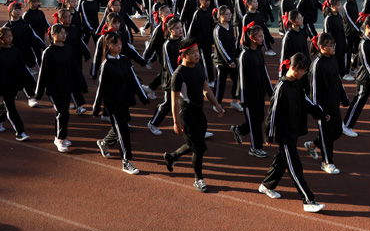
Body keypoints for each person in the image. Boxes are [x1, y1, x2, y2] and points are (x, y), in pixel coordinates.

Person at [260, 52, 329, 213]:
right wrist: (269, 135)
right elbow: (273, 113)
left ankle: (266, 185)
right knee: (295, 167)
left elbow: (306, 101)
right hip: (284, 135)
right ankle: (308, 200)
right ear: (292, 68)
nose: (303, 73)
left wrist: (321, 113)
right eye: (302, 70)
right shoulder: (281, 88)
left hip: (293, 131)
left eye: (305, 71)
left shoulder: (298, 84)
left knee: (281, 161)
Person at [162, 37, 224, 192]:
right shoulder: (178, 75)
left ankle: (172, 156)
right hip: (186, 115)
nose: (197, 55)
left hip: (199, 113)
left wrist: (216, 104)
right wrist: (176, 122)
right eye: (193, 53)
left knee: (195, 143)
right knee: (198, 148)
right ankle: (199, 179)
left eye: (198, 52)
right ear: (184, 55)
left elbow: (205, 88)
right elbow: (174, 101)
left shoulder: (198, 68)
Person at [94, 32, 150, 174]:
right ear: (109, 46)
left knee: (121, 126)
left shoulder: (124, 60)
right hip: (112, 104)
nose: (120, 47)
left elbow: (133, 80)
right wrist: (96, 108)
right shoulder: (106, 64)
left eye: (120, 44)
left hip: (124, 100)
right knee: (123, 131)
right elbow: (100, 88)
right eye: (116, 45)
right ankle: (126, 161)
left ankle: (104, 142)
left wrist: (143, 98)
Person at [304, 32, 349, 174]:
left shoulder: (332, 59)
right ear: (322, 47)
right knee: (326, 135)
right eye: (330, 46)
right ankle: (327, 162)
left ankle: (312, 144)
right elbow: (314, 91)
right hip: (323, 108)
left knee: (337, 131)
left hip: (334, 104)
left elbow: (337, 80)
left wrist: (344, 97)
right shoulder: (317, 65)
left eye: (333, 44)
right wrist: (318, 112)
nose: (333, 47)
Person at [232, 24, 273, 158]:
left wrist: (271, 92)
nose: (262, 39)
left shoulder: (259, 52)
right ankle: (255, 147)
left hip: (259, 92)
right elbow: (242, 79)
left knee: (259, 118)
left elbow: (264, 73)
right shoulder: (245, 55)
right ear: (252, 38)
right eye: (260, 36)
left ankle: (239, 130)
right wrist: (243, 99)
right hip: (248, 96)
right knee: (254, 121)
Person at [36, 24, 77, 153]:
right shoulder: (48, 52)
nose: (63, 35)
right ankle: (59, 138)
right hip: (54, 88)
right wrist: (39, 92)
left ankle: (60, 136)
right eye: (60, 33)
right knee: (62, 112)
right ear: (53, 35)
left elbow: (74, 68)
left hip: (66, 86)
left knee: (64, 113)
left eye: (65, 33)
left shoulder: (68, 49)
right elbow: (43, 73)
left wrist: (80, 84)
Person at [0, 27, 32, 141]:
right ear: (0, 39)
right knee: (11, 108)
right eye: (7, 36)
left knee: (7, 103)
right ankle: (20, 132)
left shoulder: (15, 51)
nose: (10, 38)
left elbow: (22, 68)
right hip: (4, 86)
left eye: (11, 36)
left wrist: (28, 83)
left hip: (14, 84)